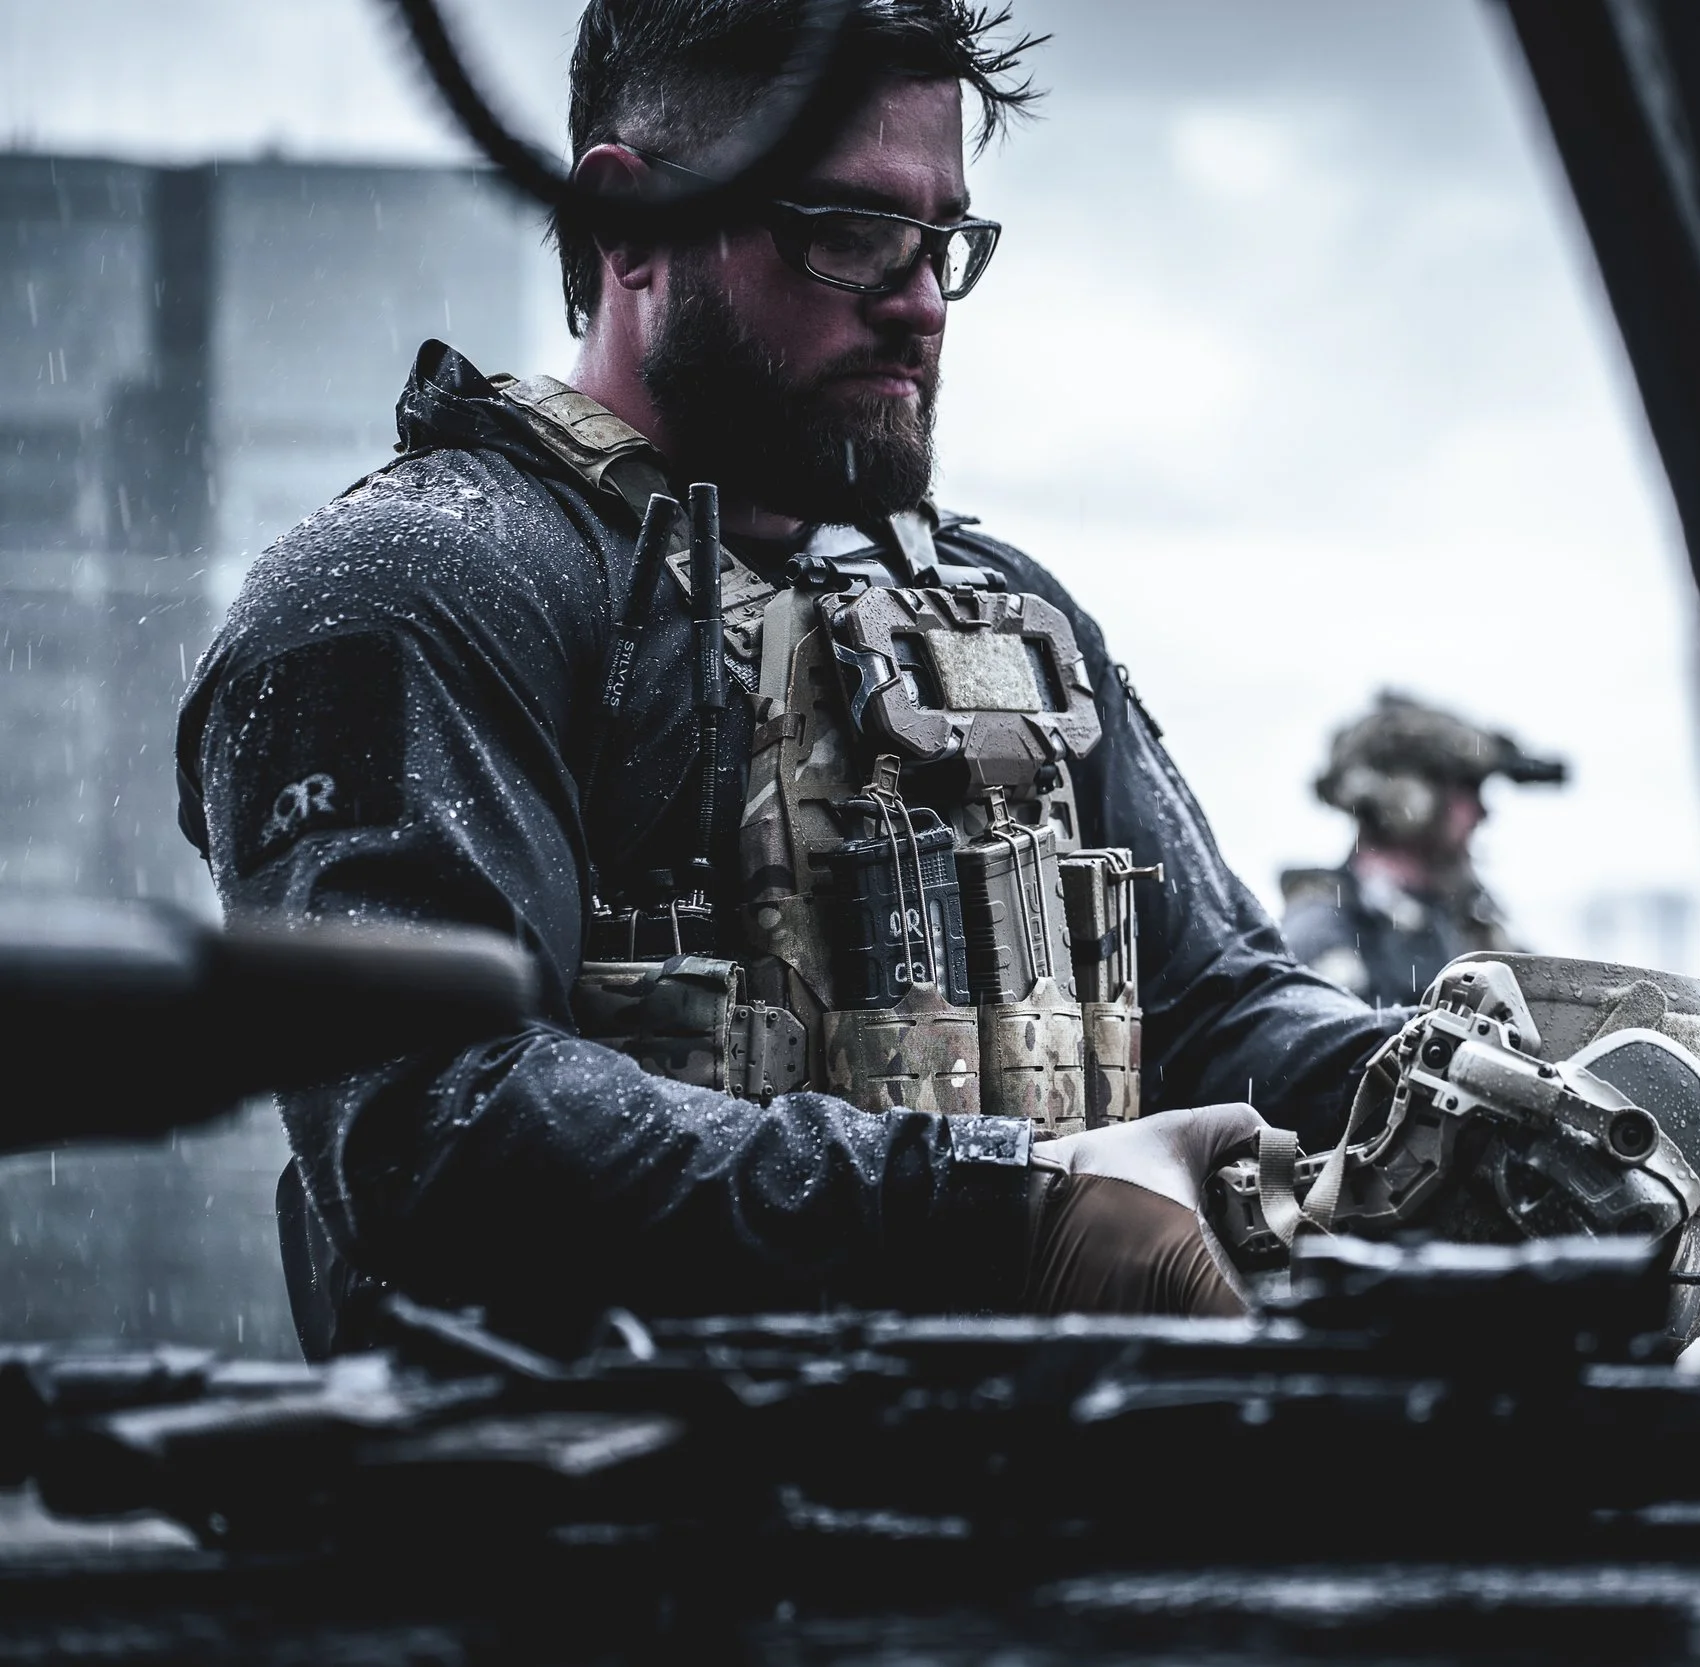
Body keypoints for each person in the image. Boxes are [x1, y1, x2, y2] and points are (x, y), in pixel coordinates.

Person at [174, 0, 1399, 1356]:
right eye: (851, 234)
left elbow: (1217, 1002)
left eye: (946, 243)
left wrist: (1480, 1086)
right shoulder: (422, 590)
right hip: (587, 1538)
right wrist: (1007, 1207)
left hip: (1031, 1517)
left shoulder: (1008, 616)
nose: (918, 303)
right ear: (629, 225)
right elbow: (436, 1123)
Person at [1279, 691, 1567, 1004]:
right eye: (1467, 788)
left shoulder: (1471, 923)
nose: (1481, 812)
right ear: (1409, 797)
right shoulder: (1323, 928)